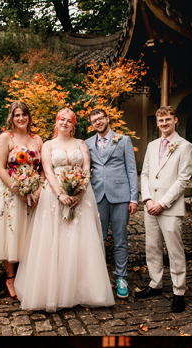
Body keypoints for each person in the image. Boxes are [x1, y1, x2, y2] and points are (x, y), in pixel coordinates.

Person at [14, 109, 116, 312]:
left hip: (81, 195)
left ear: (73, 125)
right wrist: (60, 194)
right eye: (62, 119)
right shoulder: (49, 145)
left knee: (81, 240)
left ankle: (84, 290)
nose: (65, 123)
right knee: (55, 240)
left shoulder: (81, 144)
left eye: (69, 121)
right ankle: (54, 291)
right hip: (54, 196)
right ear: (56, 122)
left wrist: (79, 193)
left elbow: (87, 169)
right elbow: (48, 170)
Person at [0, 101, 44, 300]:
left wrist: (39, 189)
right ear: (12, 118)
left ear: (29, 116)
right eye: (17, 115)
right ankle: (11, 277)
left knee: (29, 234)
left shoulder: (37, 138)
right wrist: (20, 192)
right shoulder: (5, 138)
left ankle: (28, 275)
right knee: (11, 232)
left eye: (24, 114)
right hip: (10, 193)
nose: (21, 118)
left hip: (34, 192)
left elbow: (42, 168)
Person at [136, 105, 192, 313]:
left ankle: (179, 291)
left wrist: (163, 203)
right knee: (152, 247)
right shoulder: (152, 145)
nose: (164, 123)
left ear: (175, 120)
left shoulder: (185, 146)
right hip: (151, 206)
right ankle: (155, 284)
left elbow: (183, 179)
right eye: (161, 121)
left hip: (169, 208)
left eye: (168, 119)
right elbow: (145, 174)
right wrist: (149, 200)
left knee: (174, 251)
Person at [85, 108, 139, 299]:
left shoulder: (123, 140)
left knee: (120, 239)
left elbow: (131, 170)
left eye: (100, 119)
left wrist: (134, 198)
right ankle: (97, 279)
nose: (98, 122)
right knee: (97, 239)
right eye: (94, 121)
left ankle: (121, 277)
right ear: (92, 124)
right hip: (97, 196)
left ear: (107, 119)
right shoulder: (87, 143)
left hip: (120, 196)